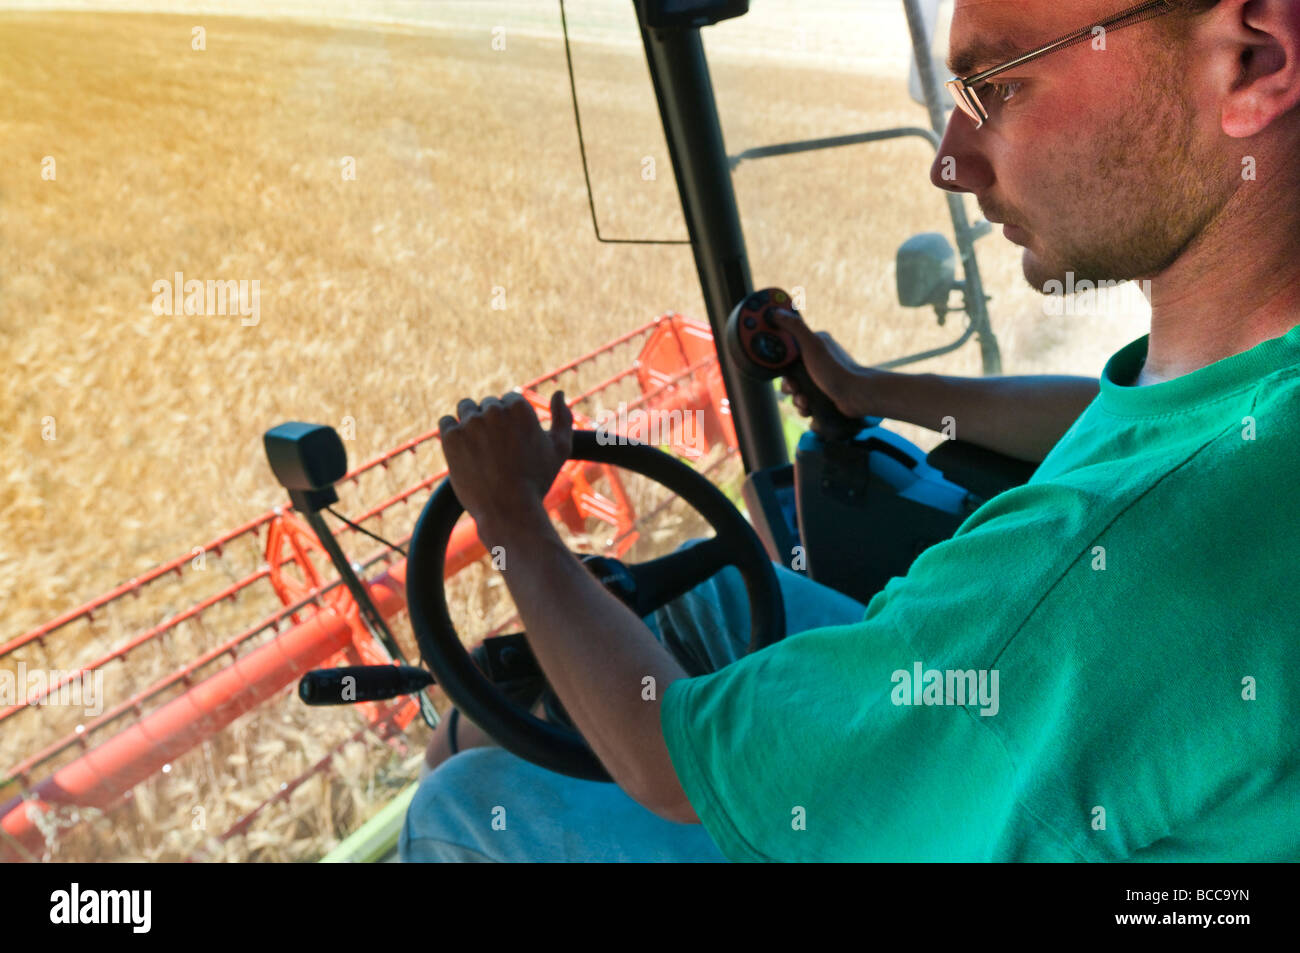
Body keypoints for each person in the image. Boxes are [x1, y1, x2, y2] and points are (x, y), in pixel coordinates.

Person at [401, 0, 1300, 861]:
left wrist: (512, 517)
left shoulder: (1085, 589)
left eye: (999, 86)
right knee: (708, 598)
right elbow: (1130, 414)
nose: (951, 162)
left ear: (1252, 60)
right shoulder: (1249, 387)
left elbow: (666, 765)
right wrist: (874, 388)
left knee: (457, 804)